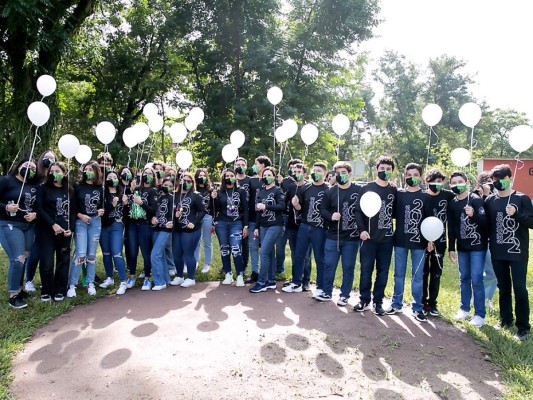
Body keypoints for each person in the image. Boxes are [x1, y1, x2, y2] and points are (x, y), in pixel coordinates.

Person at [485, 164, 533, 340]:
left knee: (519, 288)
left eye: (502, 179)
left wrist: (517, 214)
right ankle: (506, 320)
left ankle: (523, 327)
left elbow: (532, 223)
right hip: (498, 251)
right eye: (495, 180)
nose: (498, 183)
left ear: (509, 178)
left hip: (517, 252)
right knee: (503, 287)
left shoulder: (522, 199)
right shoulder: (490, 201)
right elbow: (486, 224)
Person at [387, 163, 431, 322]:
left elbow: (430, 221)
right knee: (398, 275)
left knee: (417, 277)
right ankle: (396, 304)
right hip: (399, 241)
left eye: (415, 174)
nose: (412, 177)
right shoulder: (399, 194)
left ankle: (417, 307)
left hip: (419, 244)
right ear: (404, 177)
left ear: (421, 177)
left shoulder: (426, 196)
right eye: (409, 174)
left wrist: (430, 240)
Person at [354, 156, 396, 315]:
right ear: (376, 169)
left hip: (386, 239)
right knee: (366, 270)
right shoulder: (366, 188)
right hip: (368, 238)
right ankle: (364, 300)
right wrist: (361, 230)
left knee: (383, 272)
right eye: (382, 169)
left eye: (388, 169)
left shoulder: (393, 190)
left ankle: (378, 302)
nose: (385, 172)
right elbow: (357, 211)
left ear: (392, 171)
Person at [315, 162, 361, 306]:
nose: (341, 175)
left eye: (344, 173)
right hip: (333, 236)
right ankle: (327, 292)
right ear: (335, 175)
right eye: (338, 173)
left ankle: (344, 295)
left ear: (349, 174)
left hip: (352, 238)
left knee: (348, 267)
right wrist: (330, 216)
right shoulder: (330, 192)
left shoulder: (359, 190)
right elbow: (322, 210)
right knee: (329, 265)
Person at [447, 171, 488, 328]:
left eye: (460, 181)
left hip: (478, 247)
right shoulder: (453, 204)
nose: (457, 184)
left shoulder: (476, 200)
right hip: (462, 248)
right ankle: (464, 308)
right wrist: (451, 248)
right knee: (464, 277)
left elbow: (486, 223)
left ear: (467, 183)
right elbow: (451, 227)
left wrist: (473, 215)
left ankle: (480, 314)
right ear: (450, 185)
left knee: (477, 279)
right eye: (454, 182)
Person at [283, 162, 328, 293]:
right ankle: (296, 283)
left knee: (319, 258)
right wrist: (295, 204)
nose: (316, 173)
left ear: (324, 173)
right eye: (314, 170)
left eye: (319, 170)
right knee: (298, 255)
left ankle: (320, 287)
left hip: (320, 228)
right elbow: (300, 208)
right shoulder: (306, 188)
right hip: (304, 226)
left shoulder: (329, 189)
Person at [0, 158, 38, 308]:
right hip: (9, 224)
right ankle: (13, 295)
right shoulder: (6, 181)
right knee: (18, 259)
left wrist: (35, 214)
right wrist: (6, 208)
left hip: (28, 226)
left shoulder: (32, 186)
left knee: (25, 257)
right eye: (27, 165)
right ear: (19, 166)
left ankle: (21, 289)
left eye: (33, 168)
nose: (29, 169)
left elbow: (37, 206)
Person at [35, 161, 74, 302]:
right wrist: (53, 224)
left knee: (63, 260)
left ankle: (60, 290)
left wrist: (71, 229)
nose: (54, 174)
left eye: (58, 171)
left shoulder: (69, 190)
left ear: (64, 173)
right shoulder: (42, 188)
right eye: (52, 171)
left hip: (64, 230)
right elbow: (39, 208)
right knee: (47, 261)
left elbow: (73, 212)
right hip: (46, 229)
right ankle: (46, 290)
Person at [67, 161, 104, 298]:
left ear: (96, 172)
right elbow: (73, 207)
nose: (88, 171)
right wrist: (80, 216)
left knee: (91, 255)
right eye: (86, 169)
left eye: (91, 169)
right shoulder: (77, 186)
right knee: (81, 253)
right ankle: (72, 284)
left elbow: (102, 206)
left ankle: (90, 283)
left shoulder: (100, 188)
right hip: (80, 222)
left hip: (95, 222)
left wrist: (101, 211)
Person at [25, 150, 58, 293]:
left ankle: (46, 280)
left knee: (47, 255)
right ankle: (29, 280)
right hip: (33, 221)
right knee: (35, 253)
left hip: (50, 221)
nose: (49, 161)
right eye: (46, 158)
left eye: (52, 158)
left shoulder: (55, 179)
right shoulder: (34, 178)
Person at [422, 168, 455, 316]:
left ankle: (433, 303)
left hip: (440, 242)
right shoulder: (422, 197)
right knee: (423, 273)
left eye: (440, 181)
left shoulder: (448, 196)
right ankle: (422, 302)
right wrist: (427, 240)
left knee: (436, 274)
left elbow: (464, 197)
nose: (436, 184)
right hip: (422, 242)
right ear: (426, 182)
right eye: (433, 181)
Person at [249, 167, 285, 293]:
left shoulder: (278, 190)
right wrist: (257, 227)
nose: (267, 177)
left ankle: (261, 282)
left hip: (275, 225)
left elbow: (282, 206)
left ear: (274, 177)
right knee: (269, 253)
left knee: (263, 252)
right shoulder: (261, 192)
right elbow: (258, 212)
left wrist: (266, 206)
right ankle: (271, 281)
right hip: (263, 226)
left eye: (269, 174)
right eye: (265, 175)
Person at [212, 168, 249, 286]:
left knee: (236, 249)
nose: (229, 178)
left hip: (236, 223)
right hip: (221, 223)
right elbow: (215, 209)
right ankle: (228, 273)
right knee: (224, 249)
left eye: (231, 175)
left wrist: (246, 225)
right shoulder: (219, 192)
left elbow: (246, 209)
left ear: (235, 177)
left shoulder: (241, 191)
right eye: (226, 176)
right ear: (223, 178)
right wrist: (214, 199)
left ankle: (239, 275)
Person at [170, 172, 206, 288]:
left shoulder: (196, 195)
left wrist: (194, 223)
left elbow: (202, 211)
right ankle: (179, 276)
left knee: (188, 253)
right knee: (176, 254)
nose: (186, 183)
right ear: (179, 181)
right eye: (184, 180)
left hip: (191, 229)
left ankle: (191, 278)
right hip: (177, 229)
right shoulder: (174, 195)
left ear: (192, 183)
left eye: (189, 181)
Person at [126, 167, 157, 290]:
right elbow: (129, 206)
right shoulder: (136, 189)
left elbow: (153, 210)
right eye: (145, 173)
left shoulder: (153, 191)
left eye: (150, 174)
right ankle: (132, 277)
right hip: (133, 224)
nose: (147, 175)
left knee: (146, 253)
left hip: (145, 225)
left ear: (153, 177)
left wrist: (141, 203)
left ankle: (147, 279)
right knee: (132, 252)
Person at [99, 170, 128, 295]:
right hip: (104, 226)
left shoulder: (123, 194)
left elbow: (127, 215)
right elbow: (102, 214)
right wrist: (112, 204)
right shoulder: (102, 194)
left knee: (116, 252)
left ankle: (123, 281)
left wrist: (126, 204)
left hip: (117, 225)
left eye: (114, 177)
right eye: (109, 177)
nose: (112, 179)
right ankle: (109, 278)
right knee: (106, 253)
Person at [245, 155, 272, 283]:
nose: (254, 166)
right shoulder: (252, 180)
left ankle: (267, 273)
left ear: (262, 165)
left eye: (256, 163)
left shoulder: (272, 180)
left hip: (268, 220)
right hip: (252, 219)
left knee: (267, 248)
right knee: (253, 246)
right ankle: (255, 272)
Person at [475, 171, 498, 311]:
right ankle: (476, 298)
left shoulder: (495, 196)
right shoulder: (475, 194)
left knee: (492, 272)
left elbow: (493, 214)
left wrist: (488, 195)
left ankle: (486, 298)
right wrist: (483, 195)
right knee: (476, 272)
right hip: (477, 239)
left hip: (491, 239)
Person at [150, 178, 175, 290]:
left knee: (155, 255)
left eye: (170, 185)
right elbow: (152, 211)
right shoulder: (157, 197)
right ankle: (166, 279)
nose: (167, 186)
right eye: (165, 184)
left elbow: (173, 213)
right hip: (156, 228)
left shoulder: (172, 198)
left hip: (165, 229)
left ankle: (159, 282)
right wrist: (152, 218)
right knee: (161, 255)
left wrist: (171, 222)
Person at [194, 168, 215, 274]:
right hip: (196, 217)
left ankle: (207, 264)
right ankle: (196, 261)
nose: (201, 177)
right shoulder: (194, 190)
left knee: (207, 241)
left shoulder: (210, 190)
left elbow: (214, 206)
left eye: (203, 175)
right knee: (196, 240)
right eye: (199, 175)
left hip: (207, 217)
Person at [235, 157, 251, 272]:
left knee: (245, 241)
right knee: (232, 242)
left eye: (242, 164)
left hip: (247, 214)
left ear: (246, 166)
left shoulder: (250, 181)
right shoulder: (229, 178)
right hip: (232, 215)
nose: (240, 166)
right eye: (238, 164)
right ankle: (228, 265)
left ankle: (244, 265)